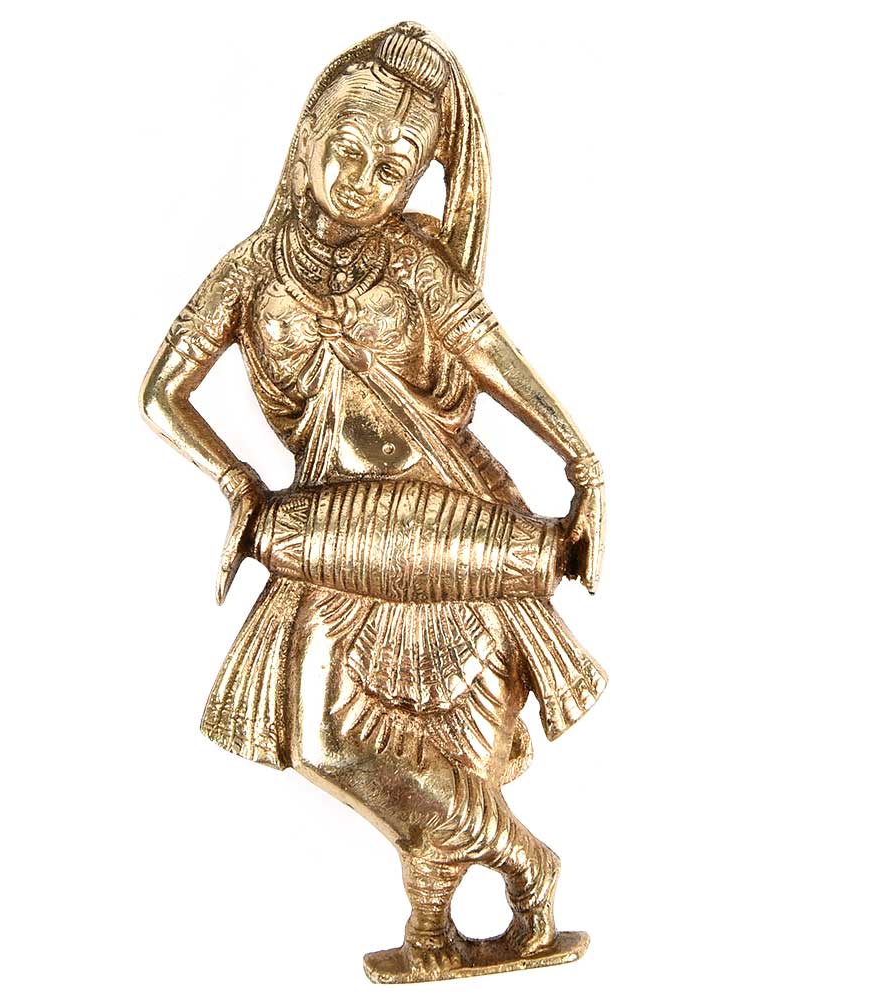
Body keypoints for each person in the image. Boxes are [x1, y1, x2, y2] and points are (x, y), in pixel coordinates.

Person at [141, 22, 607, 978]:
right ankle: (527, 863)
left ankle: (438, 930)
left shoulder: (413, 264)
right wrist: (236, 480)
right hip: (325, 532)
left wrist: (580, 460)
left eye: (393, 169)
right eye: (346, 151)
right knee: (326, 742)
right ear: (307, 138)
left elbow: (494, 358)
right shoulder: (252, 269)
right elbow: (162, 393)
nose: (361, 182)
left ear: (418, 179)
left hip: (453, 521)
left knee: (459, 750)